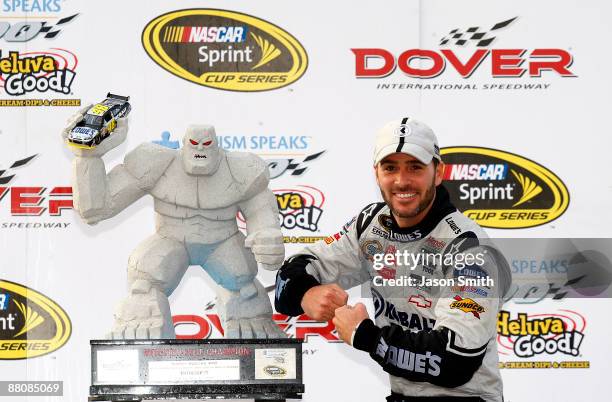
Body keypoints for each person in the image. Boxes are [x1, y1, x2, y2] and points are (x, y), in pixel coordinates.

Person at [274, 118, 511, 401]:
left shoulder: (469, 248)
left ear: (437, 172)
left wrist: (367, 337)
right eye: (390, 168)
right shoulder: (371, 225)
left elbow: (455, 360)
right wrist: (306, 293)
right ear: (376, 174)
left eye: (415, 167)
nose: (401, 181)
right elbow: (290, 275)